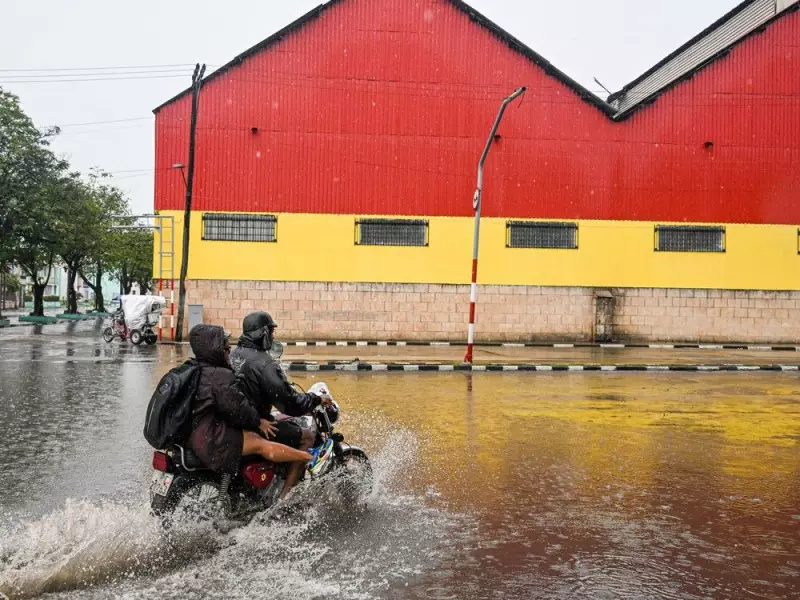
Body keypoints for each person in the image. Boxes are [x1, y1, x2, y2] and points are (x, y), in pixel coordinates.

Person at [187, 324, 312, 476]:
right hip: (211, 437)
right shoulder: (219, 376)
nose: (229, 352)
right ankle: (307, 460)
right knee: (261, 443)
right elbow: (237, 408)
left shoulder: (193, 369)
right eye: (226, 349)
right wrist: (259, 422)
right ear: (214, 350)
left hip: (195, 434)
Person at [230, 311, 328, 497]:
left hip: (234, 422)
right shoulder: (265, 363)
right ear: (263, 333)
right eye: (271, 332)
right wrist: (315, 399)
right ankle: (285, 496)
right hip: (255, 425)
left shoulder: (232, 355)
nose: (273, 336)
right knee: (307, 437)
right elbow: (290, 404)